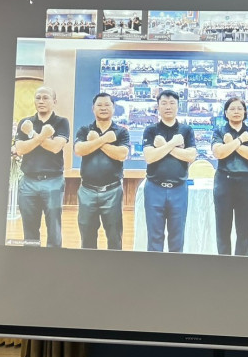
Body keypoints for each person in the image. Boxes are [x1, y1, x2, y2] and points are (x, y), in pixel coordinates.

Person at [142, 90, 197, 252]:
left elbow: (190, 156)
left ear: (178, 106)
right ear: (158, 107)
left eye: (172, 103)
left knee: (177, 238)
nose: (168, 107)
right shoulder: (151, 130)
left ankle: (175, 268)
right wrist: (174, 143)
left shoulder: (186, 130)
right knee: (154, 238)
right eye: (164, 103)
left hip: (179, 189)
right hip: (154, 188)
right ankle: (155, 268)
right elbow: (150, 157)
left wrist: (164, 146)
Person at [15, 86, 70, 247]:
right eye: (38, 98)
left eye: (45, 97)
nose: (41, 101)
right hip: (28, 182)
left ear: (54, 101)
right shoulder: (26, 123)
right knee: (29, 229)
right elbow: (20, 149)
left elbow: (55, 147)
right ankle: (31, 259)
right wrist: (41, 135)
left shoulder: (61, 122)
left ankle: (53, 259)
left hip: (53, 181)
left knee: (54, 228)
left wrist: (32, 135)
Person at [74, 93, 130, 249]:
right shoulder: (85, 130)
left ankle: (113, 265)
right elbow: (79, 150)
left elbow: (122, 154)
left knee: (114, 237)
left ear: (113, 108)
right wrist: (104, 139)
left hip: (112, 191)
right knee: (87, 237)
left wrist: (97, 141)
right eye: (99, 105)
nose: (103, 108)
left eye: (107, 105)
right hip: (87, 191)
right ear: (93, 108)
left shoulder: (121, 132)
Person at [211, 97, 248, 256]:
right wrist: (240, 140)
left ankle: (241, 265)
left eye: (240, 108)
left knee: (244, 230)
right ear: (226, 113)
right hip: (223, 182)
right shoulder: (219, 131)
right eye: (232, 109)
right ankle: (223, 265)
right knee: (223, 229)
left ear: (245, 112)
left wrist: (232, 143)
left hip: (246, 183)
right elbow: (219, 153)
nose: (236, 112)